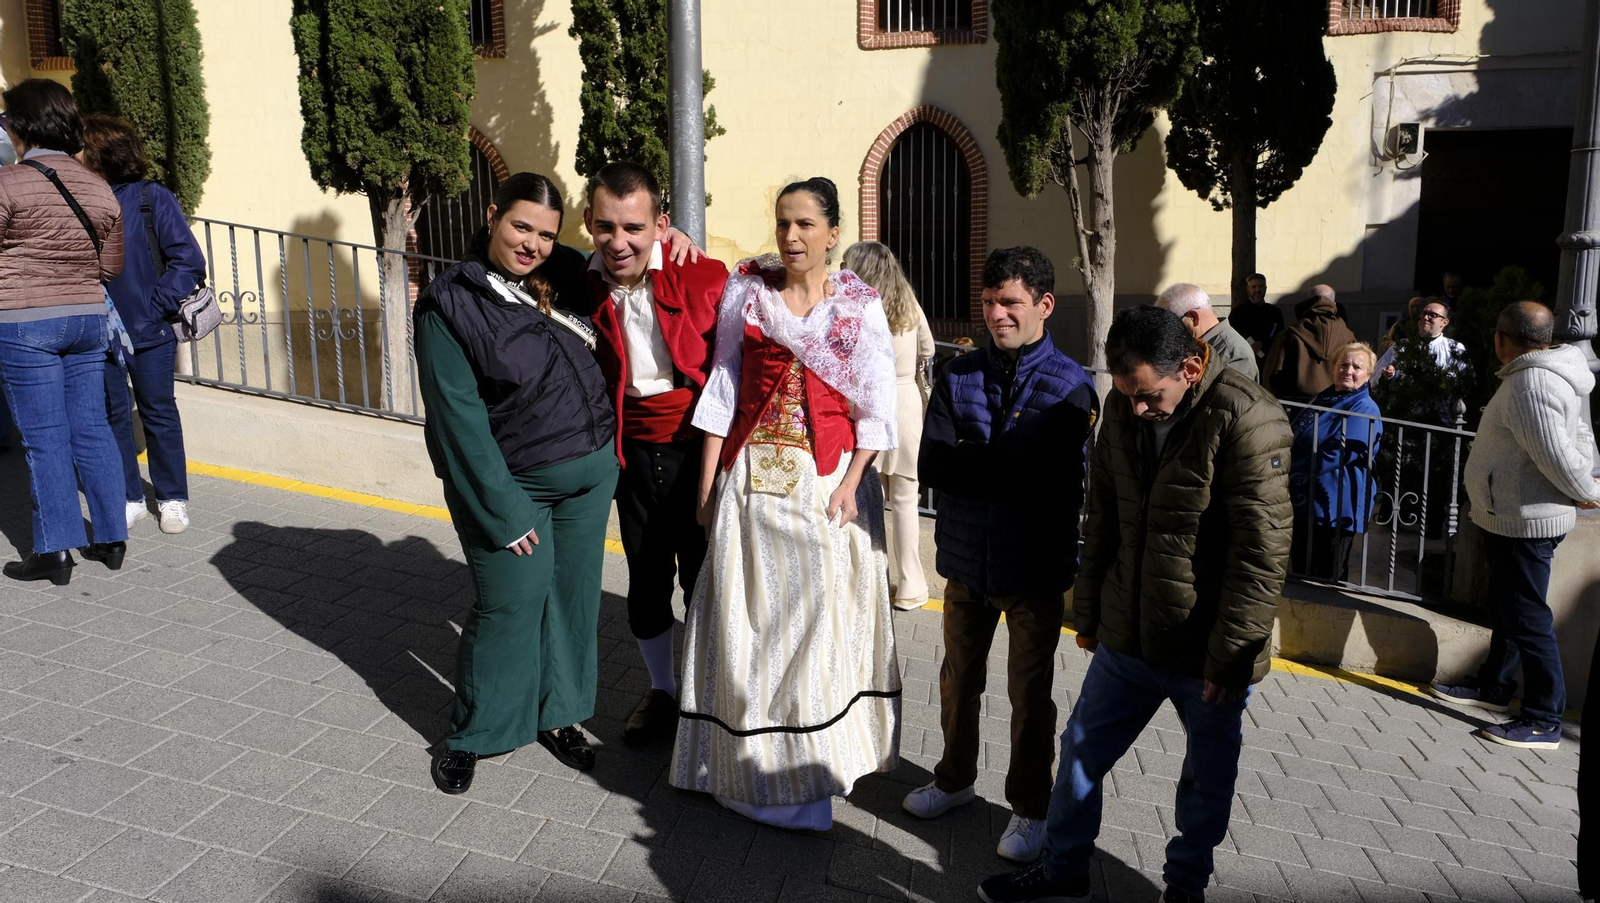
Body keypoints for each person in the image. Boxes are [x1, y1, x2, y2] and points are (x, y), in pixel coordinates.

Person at [978, 306, 1293, 903]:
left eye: (1149, 395)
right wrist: (1091, 612)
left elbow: (1261, 553)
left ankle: (1185, 887)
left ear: (1193, 366)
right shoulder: (1122, 411)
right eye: (1126, 395)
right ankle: (1063, 871)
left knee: (1206, 780)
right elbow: (1104, 520)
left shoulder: (1250, 418)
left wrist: (1230, 658)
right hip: (1129, 634)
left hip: (1208, 651)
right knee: (1079, 751)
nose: (1138, 408)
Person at [671, 177, 901, 831]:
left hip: (820, 485)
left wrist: (854, 481)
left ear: (833, 233)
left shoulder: (857, 308)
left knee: (810, 633)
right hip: (751, 480)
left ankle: (804, 779)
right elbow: (723, 385)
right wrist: (708, 484)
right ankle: (736, 766)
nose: (791, 236)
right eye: (782, 223)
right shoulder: (748, 292)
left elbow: (875, 404)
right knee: (746, 625)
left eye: (805, 224)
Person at [416, 173, 620, 794]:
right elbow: (458, 423)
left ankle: (557, 717)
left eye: (546, 234)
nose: (532, 243)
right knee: (509, 602)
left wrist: (676, 237)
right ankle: (474, 732)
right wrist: (503, 510)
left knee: (572, 601)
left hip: (589, 476)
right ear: (492, 216)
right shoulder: (450, 303)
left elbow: (629, 261)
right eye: (520, 226)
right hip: (515, 485)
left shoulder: (561, 273)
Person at [903, 246, 1097, 864]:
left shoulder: (1072, 386)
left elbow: (1050, 481)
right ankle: (955, 781)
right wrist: (996, 463)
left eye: (1009, 302)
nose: (996, 314)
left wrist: (974, 461)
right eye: (988, 302)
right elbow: (931, 462)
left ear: (1043, 305)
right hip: (965, 561)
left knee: (1028, 695)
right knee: (958, 681)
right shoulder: (958, 374)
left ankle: (1029, 808)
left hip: (1032, 568)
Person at [578, 162, 728, 748]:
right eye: (606, 227)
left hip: (698, 452)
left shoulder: (706, 277)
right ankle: (663, 690)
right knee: (644, 578)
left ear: (660, 225)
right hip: (630, 452)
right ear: (589, 223)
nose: (620, 242)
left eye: (635, 228)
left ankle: (711, 695)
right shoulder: (574, 277)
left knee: (706, 578)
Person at [1427, 301, 1600, 751]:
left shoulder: (1532, 382)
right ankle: (1494, 687)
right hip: (1513, 515)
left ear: (1502, 339)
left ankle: (1544, 718)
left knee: (1527, 617)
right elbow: (1581, 437)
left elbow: (1557, 454)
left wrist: (1584, 488)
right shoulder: (1549, 373)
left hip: (1527, 519)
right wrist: (1583, 481)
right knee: (1509, 608)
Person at [0, 79, 127, 586]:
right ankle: (112, 537)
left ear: (21, 125)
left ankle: (54, 552)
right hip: (87, 318)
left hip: (25, 321)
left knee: (45, 439)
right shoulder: (99, 187)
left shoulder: (7, 183)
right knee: (91, 426)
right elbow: (111, 268)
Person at [79, 114, 207, 536]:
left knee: (158, 412)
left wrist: (155, 305)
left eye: (84, 148)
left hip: (149, 332)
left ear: (103, 155)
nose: (76, 155)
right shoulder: (78, 198)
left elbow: (188, 261)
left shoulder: (152, 198)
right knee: (112, 414)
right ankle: (129, 497)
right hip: (97, 332)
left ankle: (172, 499)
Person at [841, 240, 934, 612]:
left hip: (869, 403)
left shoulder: (854, 307)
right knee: (907, 498)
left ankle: (872, 579)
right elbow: (927, 349)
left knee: (869, 495)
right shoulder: (907, 302)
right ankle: (912, 585)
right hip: (907, 403)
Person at [1288, 342, 1383, 582]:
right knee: (1302, 571)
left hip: (1336, 505)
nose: (1348, 370)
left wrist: (1293, 470)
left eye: (1357, 367)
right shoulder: (1325, 396)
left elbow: (1341, 453)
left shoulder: (1364, 406)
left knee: (1327, 575)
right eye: (1343, 364)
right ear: (1333, 368)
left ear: (1368, 375)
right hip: (1307, 499)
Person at [1263, 287, 1356, 403]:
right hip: (1336, 409)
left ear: (1308, 301)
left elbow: (1271, 377)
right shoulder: (1349, 338)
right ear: (1334, 304)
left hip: (1294, 409)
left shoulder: (1289, 335)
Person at [1156, 282, 1257, 381]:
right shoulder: (1198, 345)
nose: (1168, 332)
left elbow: (1233, 397)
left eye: (1171, 325)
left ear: (1193, 317)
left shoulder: (1234, 354)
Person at [1374, 299, 1467, 384]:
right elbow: (1376, 376)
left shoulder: (1455, 348)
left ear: (1444, 322)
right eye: (1424, 313)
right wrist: (1387, 374)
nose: (1426, 317)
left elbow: (1466, 379)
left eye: (1433, 315)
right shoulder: (1401, 346)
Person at [1225, 273, 1283, 374]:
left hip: (1268, 364)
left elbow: (1280, 337)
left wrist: (1263, 344)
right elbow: (1230, 337)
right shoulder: (1237, 313)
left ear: (1265, 288)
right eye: (1253, 287)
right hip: (1243, 364)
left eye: (1260, 286)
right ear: (1248, 289)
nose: (1257, 290)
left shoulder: (1275, 312)